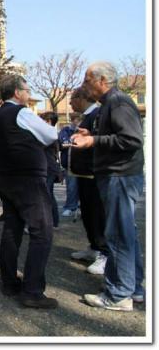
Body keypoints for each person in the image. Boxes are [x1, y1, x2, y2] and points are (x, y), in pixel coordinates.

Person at [72, 62, 145, 311]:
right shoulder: (111, 104)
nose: (84, 84)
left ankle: (118, 294)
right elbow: (118, 135)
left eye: (88, 79)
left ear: (102, 80)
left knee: (117, 236)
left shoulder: (118, 102)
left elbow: (131, 139)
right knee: (125, 235)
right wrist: (90, 133)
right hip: (118, 176)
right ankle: (133, 288)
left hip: (120, 177)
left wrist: (93, 140)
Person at [0, 75, 59, 309]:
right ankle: (32, 291)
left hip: (7, 177)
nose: (29, 94)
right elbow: (51, 135)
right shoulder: (21, 113)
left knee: (12, 229)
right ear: (16, 92)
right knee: (42, 232)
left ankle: (9, 281)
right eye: (26, 90)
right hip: (27, 179)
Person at [67, 86, 108, 275]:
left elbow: (99, 141)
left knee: (97, 213)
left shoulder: (98, 114)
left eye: (72, 99)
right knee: (88, 212)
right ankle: (94, 246)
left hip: (93, 173)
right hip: (82, 174)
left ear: (82, 98)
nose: (70, 103)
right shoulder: (87, 116)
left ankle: (104, 252)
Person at [40, 111, 62, 229]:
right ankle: (54, 221)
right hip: (50, 167)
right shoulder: (52, 133)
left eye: (43, 120)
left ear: (49, 121)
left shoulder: (49, 134)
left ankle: (49, 222)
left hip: (48, 167)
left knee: (46, 194)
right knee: (49, 194)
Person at [59, 113, 82, 217]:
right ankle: (70, 207)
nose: (79, 123)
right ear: (73, 120)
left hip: (83, 164)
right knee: (71, 187)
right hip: (70, 164)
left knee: (84, 188)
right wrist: (76, 142)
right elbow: (64, 143)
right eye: (77, 120)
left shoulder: (84, 130)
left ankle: (81, 207)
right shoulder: (66, 130)